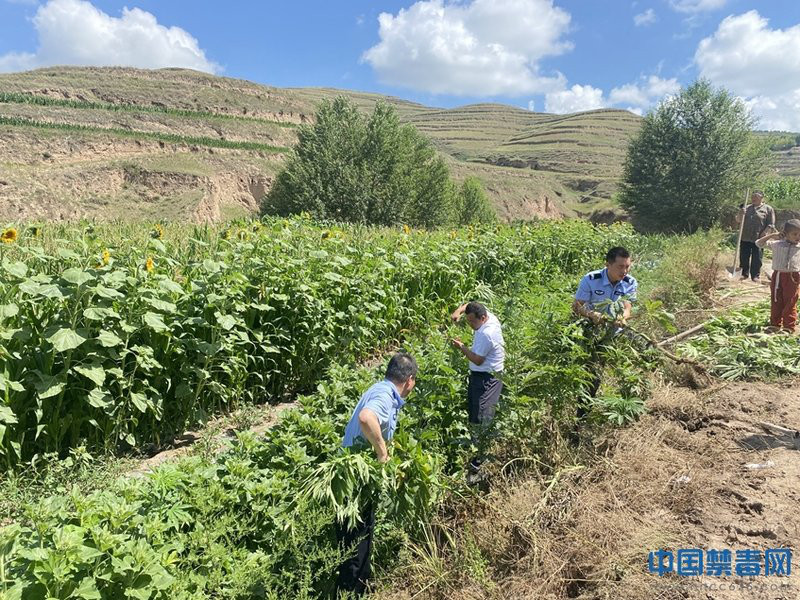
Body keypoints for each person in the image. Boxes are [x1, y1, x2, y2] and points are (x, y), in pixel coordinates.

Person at [337, 352, 417, 596]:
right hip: (355, 479)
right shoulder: (384, 395)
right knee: (355, 542)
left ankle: (356, 588)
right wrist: (382, 452)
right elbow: (366, 418)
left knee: (356, 539)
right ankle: (352, 592)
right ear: (409, 380)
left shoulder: (380, 389)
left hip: (353, 476)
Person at [572, 247, 638, 417]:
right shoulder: (591, 279)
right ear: (608, 265)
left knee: (641, 353)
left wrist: (623, 317)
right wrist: (591, 314)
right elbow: (577, 306)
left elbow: (627, 307)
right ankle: (580, 414)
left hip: (612, 333)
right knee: (589, 372)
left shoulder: (630, 282)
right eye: (620, 266)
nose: (624, 271)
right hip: (589, 331)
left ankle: (624, 408)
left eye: (627, 266)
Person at [450, 301, 505, 474]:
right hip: (480, 376)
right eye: (468, 320)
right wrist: (458, 311)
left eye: (472, 322)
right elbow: (470, 304)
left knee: (483, 414)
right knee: (474, 409)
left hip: (488, 377)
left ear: (483, 318)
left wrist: (461, 347)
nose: (470, 325)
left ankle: (480, 459)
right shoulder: (487, 316)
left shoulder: (487, 334)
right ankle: (475, 445)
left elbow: (477, 360)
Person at [756, 219, 800, 334]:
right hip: (778, 276)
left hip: (793, 277)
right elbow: (759, 243)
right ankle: (775, 324)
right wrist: (772, 235)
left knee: (790, 301)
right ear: (786, 233)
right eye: (795, 234)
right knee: (776, 299)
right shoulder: (777, 244)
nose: (798, 237)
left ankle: (788, 327)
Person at [737, 190, 776, 283]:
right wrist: (741, 213)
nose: (753, 198)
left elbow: (771, 224)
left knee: (757, 258)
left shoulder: (768, 209)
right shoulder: (746, 208)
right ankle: (744, 274)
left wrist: (765, 233)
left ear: (761, 198)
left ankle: (755, 276)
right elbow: (738, 220)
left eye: (756, 197)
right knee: (744, 256)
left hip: (759, 238)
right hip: (745, 236)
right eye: (752, 197)